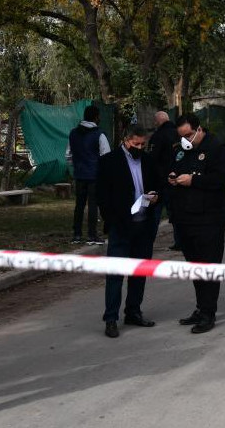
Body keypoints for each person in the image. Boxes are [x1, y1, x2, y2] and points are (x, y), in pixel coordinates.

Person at [168, 113, 225, 334]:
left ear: (199, 129)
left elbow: (222, 179)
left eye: (188, 135)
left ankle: (208, 313)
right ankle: (200, 307)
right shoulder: (180, 149)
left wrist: (193, 180)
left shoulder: (217, 148)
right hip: (185, 218)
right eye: (181, 136)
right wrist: (173, 176)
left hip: (209, 219)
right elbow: (174, 167)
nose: (185, 139)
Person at [97, 125, 159, 338]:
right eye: (136, 144)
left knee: (139, 272)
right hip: (121, 226)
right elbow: (102, 197)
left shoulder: (148, 160)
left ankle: (133, 311)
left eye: (143, 144)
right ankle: (111, 318)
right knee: (116, 274)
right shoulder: (109, 162)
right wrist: (113, 221)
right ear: (126, 140)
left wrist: (155, 197)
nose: (140, 148)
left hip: (144, 225)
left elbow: (157, 184)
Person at [66, 105, 110, 245]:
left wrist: (78, 165)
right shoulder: (99, 134)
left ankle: (77, 235)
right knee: (93, 205)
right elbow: (106, 157)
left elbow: (68, 155)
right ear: (96, 117)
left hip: (79, 175)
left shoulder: (73, 133)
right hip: (94, 176)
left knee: (79, 205)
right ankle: (92, 235)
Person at [147, 110, 181, 250]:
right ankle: (180, 242)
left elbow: (152, 159)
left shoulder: (158, 136)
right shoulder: (178, 134)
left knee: (154, 213)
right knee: (176, 213)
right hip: (177, 180)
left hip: (160, 181)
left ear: (158, 121)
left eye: (155, 121)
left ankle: (148, 242)